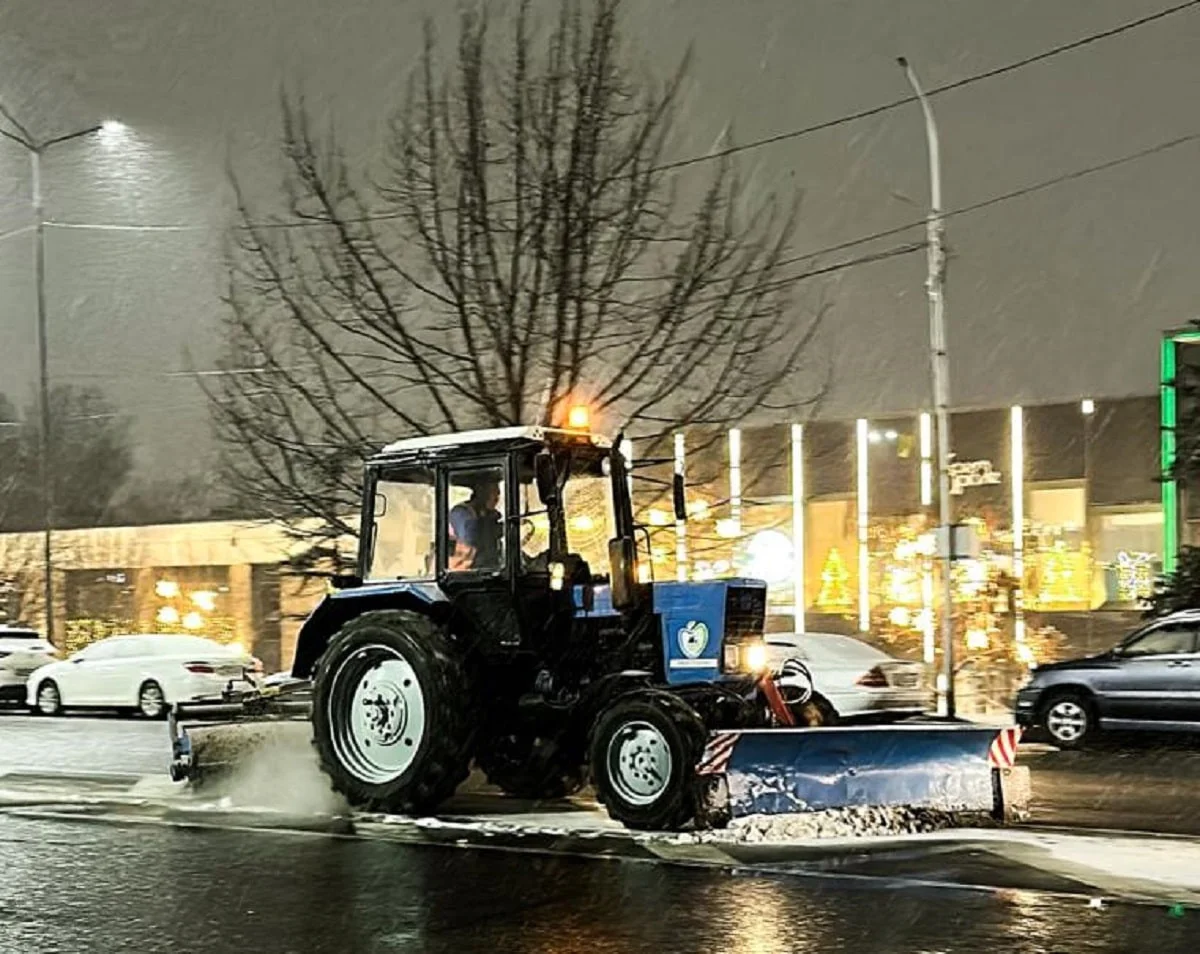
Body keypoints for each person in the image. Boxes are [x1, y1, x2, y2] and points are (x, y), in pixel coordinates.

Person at [448, 477, 502, 570]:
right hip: (468, 575)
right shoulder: (463, 514)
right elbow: (468, 549)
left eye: (498, 493)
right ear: (481, 491)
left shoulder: (488, 516)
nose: (497, 498)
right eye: (493, 492)